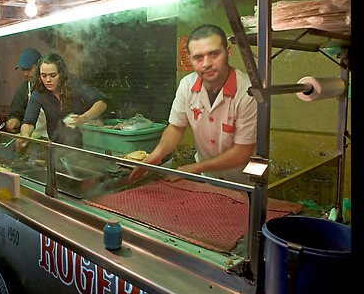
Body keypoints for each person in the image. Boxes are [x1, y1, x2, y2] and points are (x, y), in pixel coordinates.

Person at [131, 24, 257, 185]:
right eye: (198, 57)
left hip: (244, 184)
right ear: (190, 59)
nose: (206, 64)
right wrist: (156, 155)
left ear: (228, 53)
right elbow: (176, 128)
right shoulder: (187, 85)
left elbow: (242, 152)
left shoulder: (248, 91)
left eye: (214, 54)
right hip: (207, 181)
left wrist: (195, 168)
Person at [19, 53, 107, 147]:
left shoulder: (74, 83)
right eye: (43, 76)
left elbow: (101, 104)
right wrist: (25, 136)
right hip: (55, 146)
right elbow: (28, 122)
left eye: (53, 75)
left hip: (81, 144)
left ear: (61, 73)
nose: (48, 80)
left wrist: (82, 118)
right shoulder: (39, 93)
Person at [6, 48, 48, 139]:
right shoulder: (24, 89)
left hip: (55, 139)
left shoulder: (51, 86)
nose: (25, 73)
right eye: (23, 70)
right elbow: (16, 113)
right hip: (34, 137)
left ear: (40, 66)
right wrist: (13, 121)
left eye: (29, 69)